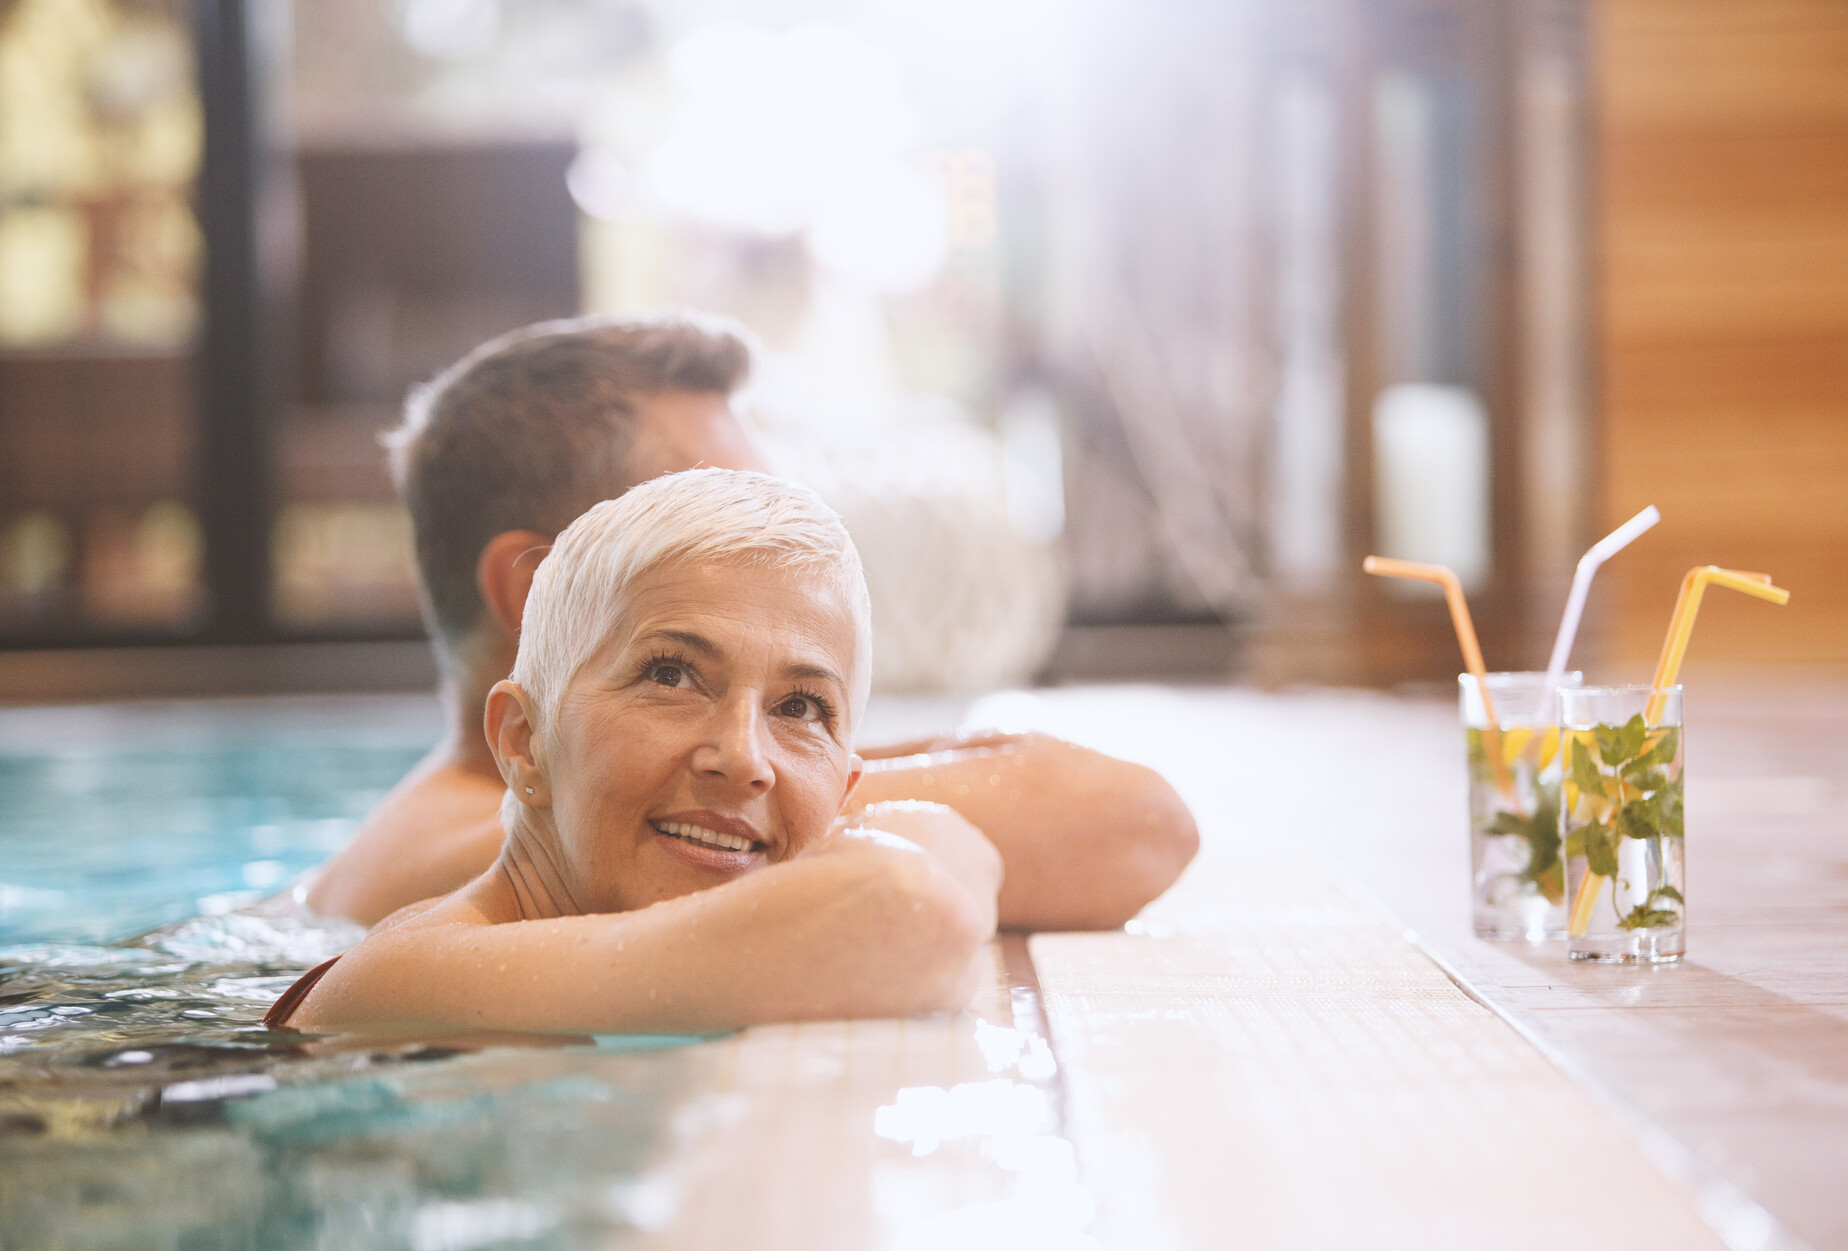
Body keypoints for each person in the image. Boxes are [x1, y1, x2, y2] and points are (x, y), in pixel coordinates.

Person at [297, 313, 1197, 931]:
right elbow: (1125, 825)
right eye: (704, 508)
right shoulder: (468, 865)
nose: (760, 544)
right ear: (537, 592)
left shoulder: (530, 807)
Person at [271, 470, 1001, 1033]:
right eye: (670, 674)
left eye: (800, 707)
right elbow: (909, 912)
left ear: (845, 793)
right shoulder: (405, 979)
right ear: (523, 745)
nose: (744, 758)